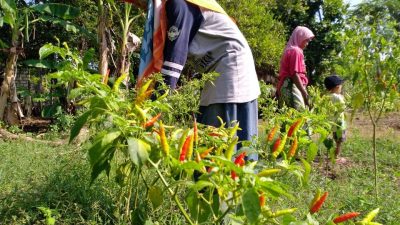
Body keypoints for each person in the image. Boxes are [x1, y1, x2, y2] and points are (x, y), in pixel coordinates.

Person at [129, 0, 261, 160]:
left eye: (136, 1)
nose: (138, 5)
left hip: (230, 66)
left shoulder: (177, 3)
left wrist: (155, 109)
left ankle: (226, 183)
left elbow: (173, 60)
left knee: (218, 147)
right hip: (219, 68)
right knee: (213, 141)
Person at [276, 26, 315, 110]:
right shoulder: (296, 51)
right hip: (292, 85)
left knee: (289, 118)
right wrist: (304, 93)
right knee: (298, 117)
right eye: (306, 40)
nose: (307, 44)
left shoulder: (290, 50)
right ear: (300, 37)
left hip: (287, 86)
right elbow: (294, 74)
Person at [324, 75, 346, 159]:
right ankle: (336, 156)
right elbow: (343, 107)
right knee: (339, 141)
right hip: (339, 123)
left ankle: (331, 153)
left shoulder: (326, 97)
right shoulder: (338, 97)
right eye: (341, 87)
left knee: (333, 139)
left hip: (331, 123)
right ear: (337, 87)